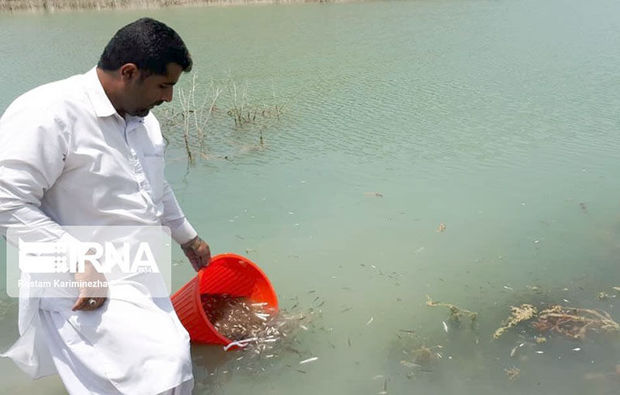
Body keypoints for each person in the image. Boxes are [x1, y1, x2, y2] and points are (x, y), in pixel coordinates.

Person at [0, 18, 211, 394]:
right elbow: (7, 201)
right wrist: (77, 258)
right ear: (129, 73)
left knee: (165, 368)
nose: (168, 98)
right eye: (164, 86)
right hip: (78, 281)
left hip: (139, 269)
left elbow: (155, 187)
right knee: (163, 365)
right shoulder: (49, 112)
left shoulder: (143, 121)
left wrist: (187, 237)